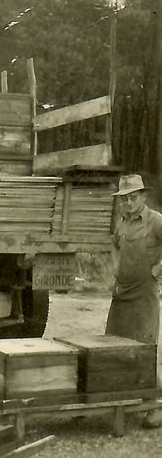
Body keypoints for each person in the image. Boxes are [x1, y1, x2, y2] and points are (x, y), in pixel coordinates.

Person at [105, 174, 162, 428]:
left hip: (144, 293)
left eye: (133, 197)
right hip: (123, 292)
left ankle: (155, 406)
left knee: (144, 348)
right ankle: (124, 400)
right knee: (114, 344)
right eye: (124, 199)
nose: (129, 203)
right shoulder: (122, 222)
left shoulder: (156, 221)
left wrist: (157, 270)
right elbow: (115, 245)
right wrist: (115, 271)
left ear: (143, 197)